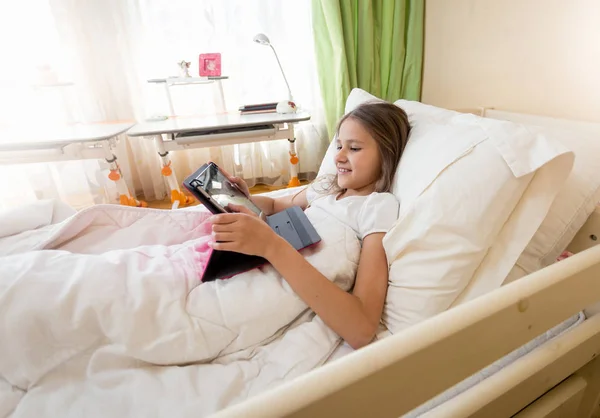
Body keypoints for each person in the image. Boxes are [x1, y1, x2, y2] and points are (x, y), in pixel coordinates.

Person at [209, 101, 410, 349]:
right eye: (338, 146)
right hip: (259, 261)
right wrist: (242, 198)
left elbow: (363, 327)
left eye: (354, 148)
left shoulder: (376, 206)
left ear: (386, 155)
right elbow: (273, 206)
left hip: (279, 274)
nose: (338, 156)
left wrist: (271, 245)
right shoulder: (326, 187)